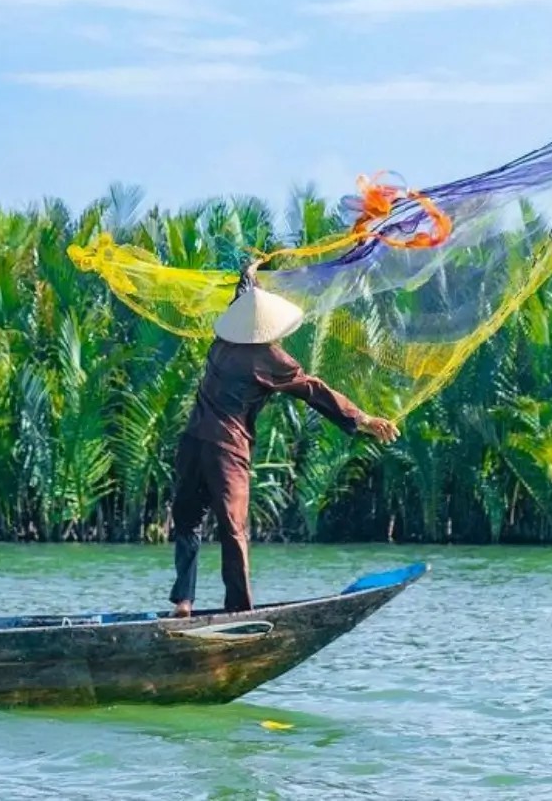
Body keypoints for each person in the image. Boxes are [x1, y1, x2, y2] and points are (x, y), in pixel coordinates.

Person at [168, 264, 400, 617]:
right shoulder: (270, 358)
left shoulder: (224, 339)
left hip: (191, 443)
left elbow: (243, 297)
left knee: (187, 521)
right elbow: (314, 390)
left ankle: (184, 602)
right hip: (226, 450)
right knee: (234, 531)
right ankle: (239, 612)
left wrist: (250, 272)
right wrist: (362, 419)